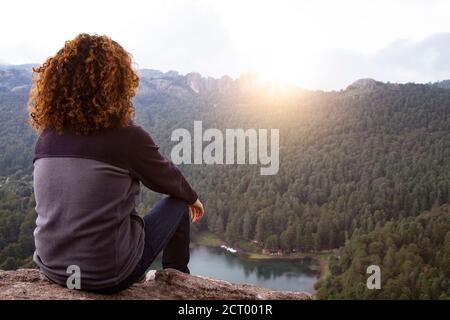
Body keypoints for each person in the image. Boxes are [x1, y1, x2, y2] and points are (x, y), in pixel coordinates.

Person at [28, 33, 204, 294]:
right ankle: (176, 282)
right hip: (108, 277)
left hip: (52, 269)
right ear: (118, 83)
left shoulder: (47, 138)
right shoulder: (126, 136)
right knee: (178, 203)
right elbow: (167, 178)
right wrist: (193, 198)